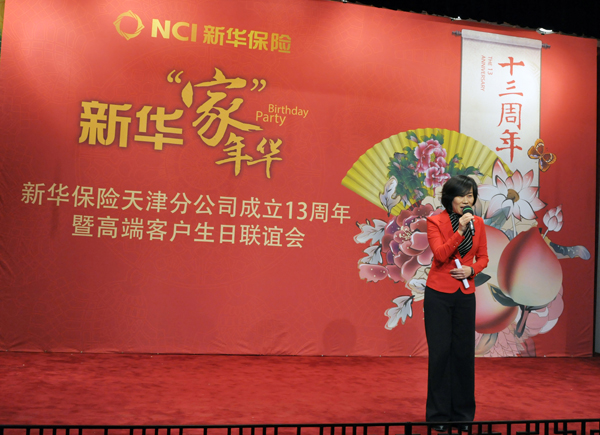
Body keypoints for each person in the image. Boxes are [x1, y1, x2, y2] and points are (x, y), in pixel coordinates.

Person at [424, 175, 489, 432]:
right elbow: (440, 255)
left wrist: (472, 270)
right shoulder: (435, 222)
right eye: (461, 195)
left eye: (470, 195)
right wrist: (460, 230)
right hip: (438, 294)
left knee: (463, 354)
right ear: (450, 198)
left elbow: (483, 257)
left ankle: (463, 416)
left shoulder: (479, 223)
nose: (466, 200)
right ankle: (438, 416)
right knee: (440, 353)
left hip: (465, 294)